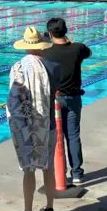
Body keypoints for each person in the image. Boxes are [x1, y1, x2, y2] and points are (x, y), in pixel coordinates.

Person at [8, 27, 59, 211]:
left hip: (25, 126)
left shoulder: (17, 68)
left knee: (28, 170)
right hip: (49, 125)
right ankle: (50, 208)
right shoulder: (53, 67)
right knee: (48, 167)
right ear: (42, 45)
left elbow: (13, 100)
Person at [41, 18, 91, 184]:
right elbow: (89, 52)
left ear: (50, 33)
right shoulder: (77, 48)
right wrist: (71, 41)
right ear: (66, 31)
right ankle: (77, 173)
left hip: (54, 99)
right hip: (73, 98)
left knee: (55, 136)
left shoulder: (46, 51)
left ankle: (57, 173)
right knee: (73, 135)